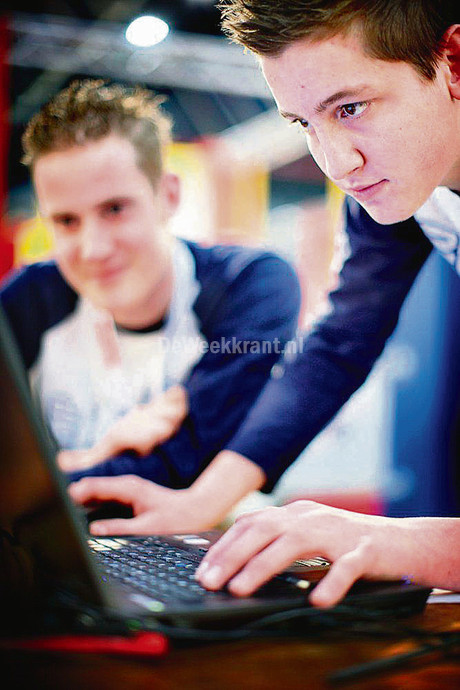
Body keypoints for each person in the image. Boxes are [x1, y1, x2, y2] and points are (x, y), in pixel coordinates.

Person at [70, 0, 460, 606]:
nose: (337, 164)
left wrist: (407, 544)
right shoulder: (402, 185)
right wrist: (198, 503)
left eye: (351, 108)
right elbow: (339, 343)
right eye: (304, 123)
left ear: (452, 62)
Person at [0, 78, 301, 531]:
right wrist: (93, 456)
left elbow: (186, 466)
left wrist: (41, 479)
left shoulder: (249, 284)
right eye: (66, 221)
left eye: (115, 209)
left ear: (169, 195)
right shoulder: (30, 299)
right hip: (65, 551)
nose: (94, 248)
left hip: (209, 547)